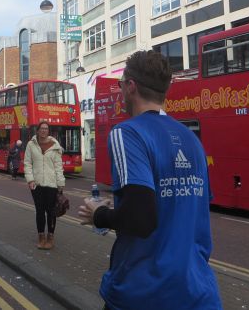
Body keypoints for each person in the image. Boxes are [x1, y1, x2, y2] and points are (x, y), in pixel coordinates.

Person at [78, 50, 222, 310]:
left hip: (145, 292)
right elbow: (184, 206)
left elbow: (140, 220)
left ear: (131, 87)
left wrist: (100, 214)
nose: (121, 91)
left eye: (121, 84)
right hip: (198, 294)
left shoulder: (126, 133)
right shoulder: (192, 140)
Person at [24, 121, 65, 250]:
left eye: (46, 128)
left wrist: (60, 183)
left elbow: (58, 167)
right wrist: (30, 180)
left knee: (51, 212)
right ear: (37, 130)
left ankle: (50, 237)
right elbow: (27, 163)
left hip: (51, 184)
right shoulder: (31, 145)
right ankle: (41, 237)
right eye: (41, 128)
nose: (43, 130)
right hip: (37, 184)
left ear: (48, 131)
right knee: (40, 211)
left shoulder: (55, 146)